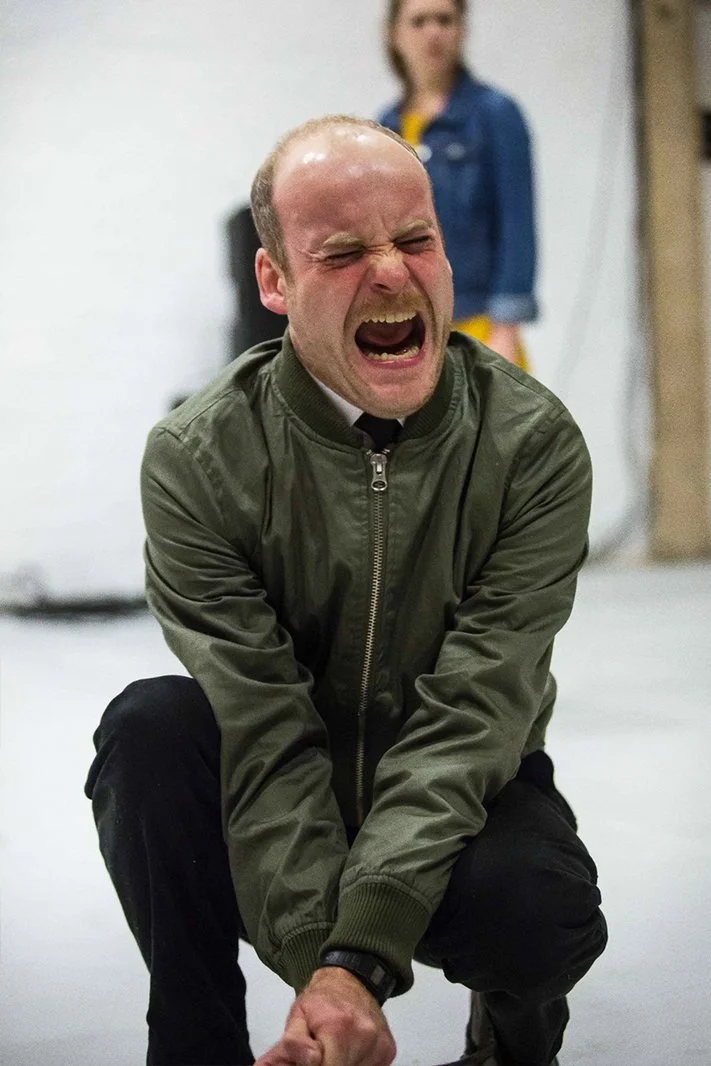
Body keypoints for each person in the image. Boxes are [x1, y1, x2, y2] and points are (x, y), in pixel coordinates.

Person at [85, 115, 606, 1066]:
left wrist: (355, 960)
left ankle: (510, 1044)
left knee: (542, 911)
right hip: (276, 785)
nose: (393, 274)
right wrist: (324, 976)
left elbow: (476, 711)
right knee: (149, 734)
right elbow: (264, 726)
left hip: (462, 779)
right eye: (341, 252)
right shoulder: (199, 459)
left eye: (415, 240)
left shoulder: (530, 445)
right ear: (274, 281)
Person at [379, 0, 537, 370]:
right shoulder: (386, 125)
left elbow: (517, 224)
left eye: (444, 20)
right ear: (395, 35)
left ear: (462, 29)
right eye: (419, 21)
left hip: (479, 320)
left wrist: (506, 328)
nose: (433, 31)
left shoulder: (495, 114)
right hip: (410, 325)